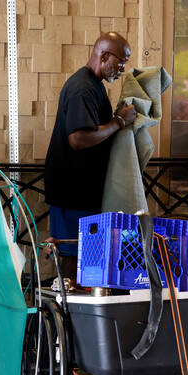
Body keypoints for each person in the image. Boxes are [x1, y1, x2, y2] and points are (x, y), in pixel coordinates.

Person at [44, 32, 138, 278]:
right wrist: (119, 121)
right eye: (121, 61)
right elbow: (79, 138)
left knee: (86, 256)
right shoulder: (82, 88)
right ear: (104, 55)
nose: (123, 69)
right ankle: (67, 312)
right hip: (72, 192)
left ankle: (79, 310)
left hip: (83, 192)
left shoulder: (93, 85)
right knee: (71, 255)